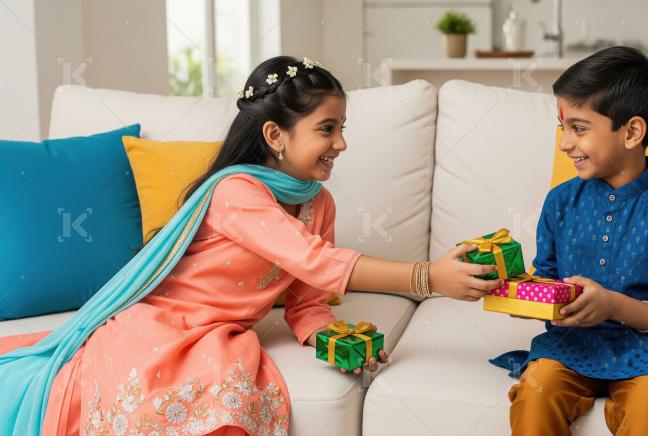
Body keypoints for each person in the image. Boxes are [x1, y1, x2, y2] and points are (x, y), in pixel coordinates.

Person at [0, 56, 501, 435]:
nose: (341, 144)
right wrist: (427, 278)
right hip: (164, 324)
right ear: (274, 135)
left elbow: (306, 300)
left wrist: (334, 343)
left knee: (232, 390)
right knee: (199, 400)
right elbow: (317, 262)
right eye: (327, 129)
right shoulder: (236, 192)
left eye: (342, 128)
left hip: (222, 331)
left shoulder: (317, 203)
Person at [490, 47, 648, 436]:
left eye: (579, 128)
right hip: (570, 348)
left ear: (632, 132)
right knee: (533, 398)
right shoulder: (561, 201)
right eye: (562, 127)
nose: (565, 143)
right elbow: (547, 279)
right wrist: (511, 290)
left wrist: (613, 305)